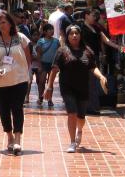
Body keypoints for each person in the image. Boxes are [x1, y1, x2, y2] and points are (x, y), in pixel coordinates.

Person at [45, 25, 108, 153]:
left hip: (83, 87)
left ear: (80, 36)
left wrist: (101, 76)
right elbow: (54, 70)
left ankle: (80, 129)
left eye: (77, 33)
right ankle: (72, 142)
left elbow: (92, 67)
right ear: (67, 36)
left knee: (81, 116)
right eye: (71, 33)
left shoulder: (88, 51)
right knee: (71, 113)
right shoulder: (62, 51)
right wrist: (49, 87)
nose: (74, 36)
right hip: (67, 87)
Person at [0, 11, 32, 155]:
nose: (1, 25)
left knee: (17, 108)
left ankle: (17, 139)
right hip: (0, 81)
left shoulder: (21, 38)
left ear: (11, 23)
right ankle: (9, 136)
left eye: (4, 22)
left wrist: (24, 73)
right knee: (4, 109)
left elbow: (28, 58)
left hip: (19, 80)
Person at [80, 8, 122, 114]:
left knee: (94, 82)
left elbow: (105, 40)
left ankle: (93, 107)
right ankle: (87, 107)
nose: (95, 18)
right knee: (87, 82)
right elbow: (80, 43)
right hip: (85, 58)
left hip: (95, 58)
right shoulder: (81, 28)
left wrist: (118, 47)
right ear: (86, 15)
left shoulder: (96, 27)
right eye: (92, 15)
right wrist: (87, 50)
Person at [34, 23, 59, 107]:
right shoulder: (41, 41)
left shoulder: (56, 41)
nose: (52, 31)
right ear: (44, 32)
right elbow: (38, 54)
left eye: (52, 29)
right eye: (49, 30)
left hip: (53, 65)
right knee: (41, 81)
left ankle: (50, 99)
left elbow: (59, 53)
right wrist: (39, 65)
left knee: (50, 83)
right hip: (43, 64)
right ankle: (40, 96)